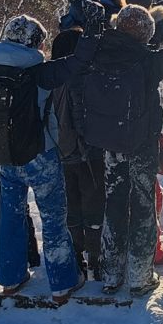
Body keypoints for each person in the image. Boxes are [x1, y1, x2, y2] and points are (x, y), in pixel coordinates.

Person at [0, 0, 102, 301]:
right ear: (36, 43)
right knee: (53, 218)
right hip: (41, 155)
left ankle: (10, 278)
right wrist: (93, 28)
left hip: (5, 155)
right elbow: (80, 60)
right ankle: (63, 283)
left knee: (10, 215)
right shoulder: (41, 73)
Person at [75, 3, 163, 296]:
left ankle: (111, 273)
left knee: (114, 203)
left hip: (109, 142)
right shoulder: (147, 60)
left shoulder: (99, 51)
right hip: (141, 142)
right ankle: (139, 277)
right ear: (145, 34)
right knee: (142, 205)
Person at [51, 26, 105, 281]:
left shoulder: (49, 78)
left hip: (61, 152)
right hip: (89, 153)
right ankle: (95, 256)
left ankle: (76, 255)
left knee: (71, 206)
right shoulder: (86, 77)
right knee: (93, 203)